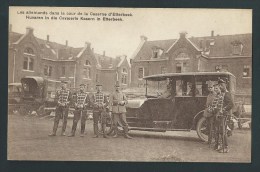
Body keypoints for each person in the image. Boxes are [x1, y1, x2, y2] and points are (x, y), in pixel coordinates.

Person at [216, 78, 234, 153]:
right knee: (221, 131)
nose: (220, 87)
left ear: (225, 86)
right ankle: (222, 146)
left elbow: (231, 104)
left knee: (223, 131)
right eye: (219, 85)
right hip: (221, 115)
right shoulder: (222, 94)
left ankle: (226, 148)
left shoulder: (227, 94)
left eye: (222, 85)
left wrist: (223, 109)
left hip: (225, 115)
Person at [202, 81, 216, 146]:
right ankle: (209, 141)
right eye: (209, 87)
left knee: (211, 128)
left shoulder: (215, 95)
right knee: (208, 127)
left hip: (212, 113)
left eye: (211, 87)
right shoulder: (209, 95)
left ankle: (211, 141)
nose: (210, 88)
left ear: (213, 87)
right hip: (208, 113)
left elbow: (215, 104)